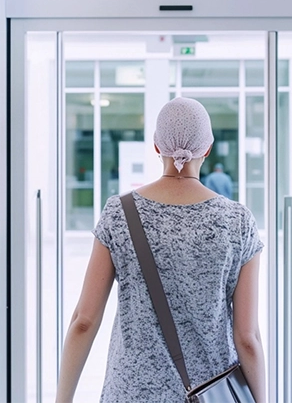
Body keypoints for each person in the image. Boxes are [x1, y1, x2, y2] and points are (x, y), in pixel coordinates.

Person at [55, 97, 266, 403]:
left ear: (156, 146)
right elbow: (247, 337)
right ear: (207, 148)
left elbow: (84, 320)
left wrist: (62, 400)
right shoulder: (238, 221)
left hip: (130, 392)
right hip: (210, 394)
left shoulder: (119, 213)